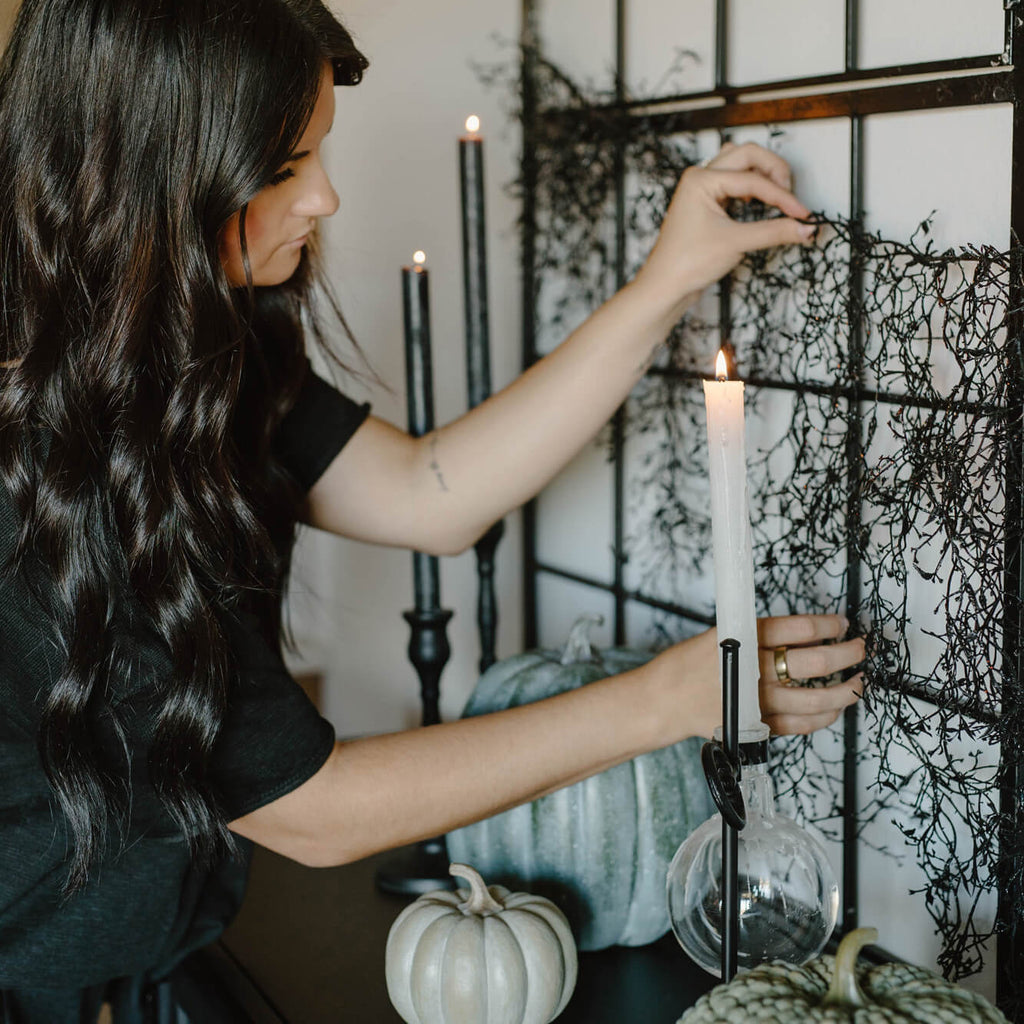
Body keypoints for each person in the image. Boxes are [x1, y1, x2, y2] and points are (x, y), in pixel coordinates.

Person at [0, 0, 865, 1019]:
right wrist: (669, 699)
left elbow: (428, 494)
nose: (323, 196)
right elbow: (311, 812)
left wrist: (666, 280)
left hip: (142, 963)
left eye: (316, 152)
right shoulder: (46, 449)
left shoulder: (184, 359)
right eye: (281, 168)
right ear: (144, 175)